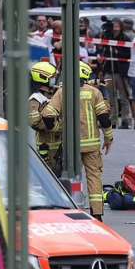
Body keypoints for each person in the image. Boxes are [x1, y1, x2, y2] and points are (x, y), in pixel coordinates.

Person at [42, 61, 113, 221]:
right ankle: (97, 214)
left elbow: (47, 115)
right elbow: (104, 118)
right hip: (92, 145)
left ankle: (71, 208)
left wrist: (57, 129)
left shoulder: (62, 92)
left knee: (71, 176)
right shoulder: (94, 93)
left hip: (71, 145)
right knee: (94, 177)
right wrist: (108, 138)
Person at [28, 61, 62, 176]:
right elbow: (34, 122)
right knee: (49, 176)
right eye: (52, 78)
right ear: (43, 78)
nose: (54, 80)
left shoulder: (51, 94)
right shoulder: (36, 99)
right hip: (46, 147)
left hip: (59, 144)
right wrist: (56, 126)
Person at [99, 18, 133, 128]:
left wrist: (117, 52)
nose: (115, 27)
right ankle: (113, 120)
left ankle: (125, 120)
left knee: (124, 97)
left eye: (117, 25)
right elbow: (102, 48)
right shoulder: (107, 36)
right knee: (111, 97)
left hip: (121, 72)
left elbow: (127, 55)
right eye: (113, 25)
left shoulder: (125, 38)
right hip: (109, 70)